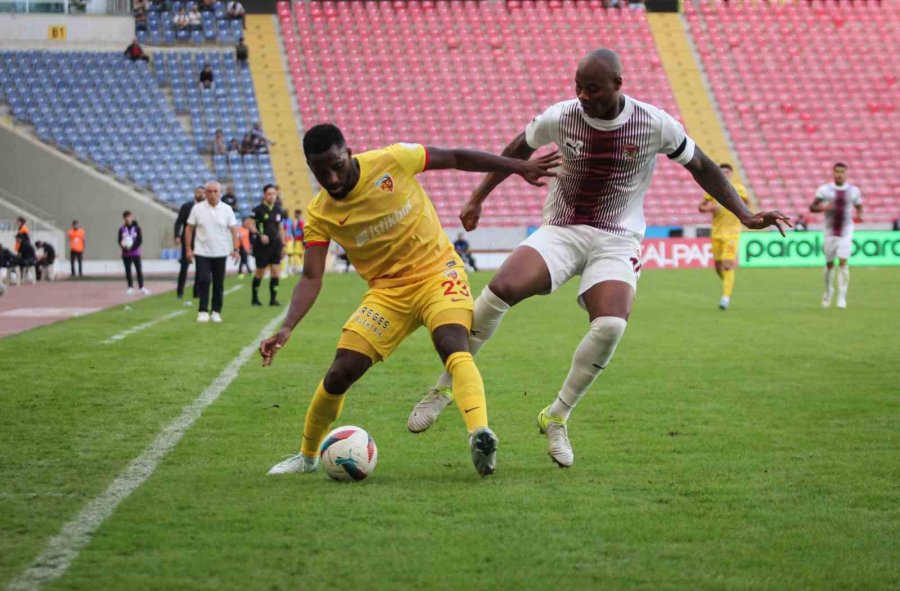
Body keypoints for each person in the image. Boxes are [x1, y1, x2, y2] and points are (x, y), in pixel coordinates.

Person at [407, 48, 790, 469]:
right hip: (562, 229)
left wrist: (745, 214)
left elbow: (700, 164)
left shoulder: (652, 122)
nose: (583, 96)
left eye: (592, 88)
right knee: (501, 289)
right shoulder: (563, 115)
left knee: (609, 325)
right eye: (578, 87)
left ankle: (557, 416)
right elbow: (518, 146)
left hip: (617, 238)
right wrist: (478, 197)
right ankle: (444, 387)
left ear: (617, 85)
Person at [259, 123, 558, 478]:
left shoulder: (392, 160)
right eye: (320, 172)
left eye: (336, 165)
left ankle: (480, 435)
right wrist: (288, 326)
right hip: (387, 294)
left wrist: (518, 166)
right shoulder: (320, 214)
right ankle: (307, 457)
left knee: (453, 344)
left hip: (438, 273)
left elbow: (457, 157)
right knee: (340, 373)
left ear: (349, 153)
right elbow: (311, 276)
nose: (332, 178)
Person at [184, 181, 241, 323]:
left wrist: (236, 249)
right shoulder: (197, 209)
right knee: (203, 280)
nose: (212, 194)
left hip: (221, 252)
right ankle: (203, 311)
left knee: (218, 283)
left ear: (220, 192)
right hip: (202, 251)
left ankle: (216, 311)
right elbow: (189, 229)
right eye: (209, 191)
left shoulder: (227, 209)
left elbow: (234, 230)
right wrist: (188, 249)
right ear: (205, 193)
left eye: (215, 191)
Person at [697, 163, 750, 310]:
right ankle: (728, 282)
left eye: (727, 171)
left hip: (732, 232)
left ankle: (725, 298)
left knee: (727, 265)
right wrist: (709, 208)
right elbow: (701, 207)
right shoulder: (712, 189)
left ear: (731, 173)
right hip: (716, 233)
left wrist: (734, 202)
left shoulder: (738, 188)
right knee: (718, 267)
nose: (725, 173)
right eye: (722, 171)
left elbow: (746, 203)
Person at [810, 162, 863, 309]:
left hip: (846, 231)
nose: (839, 174)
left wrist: (859, 215)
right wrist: (824, 208)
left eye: (842, 172)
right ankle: (828, 292)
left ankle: (842, 297)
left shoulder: (853, 191)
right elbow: (812, 207)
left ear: (846, 173)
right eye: (837, 171)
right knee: (829, 265)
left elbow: (859, 205)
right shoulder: (825, 190)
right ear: (833, 173)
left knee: (843, 262)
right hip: (829, 231)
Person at [248, 184, 287, 306]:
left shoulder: (278, 209)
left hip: (276, 245)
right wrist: (260, 234)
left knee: (276, 272)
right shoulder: (258, 209)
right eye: (269, 194)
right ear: (264, 195)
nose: (272, 196)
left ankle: (273, 299)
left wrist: (283, 243)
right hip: (262, 246)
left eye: (274, 193)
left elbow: (280, 227)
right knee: (260, 272)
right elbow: (248, 224)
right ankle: (254, 298)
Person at [174, 187, 205, 302]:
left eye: (202, 192)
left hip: (201, 241)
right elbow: (179, 222)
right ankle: (180, 291)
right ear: (194, 194)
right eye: (198, 192)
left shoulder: (207, 208)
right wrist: (177, 235)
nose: (200, 194)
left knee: (201, 268)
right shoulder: (186, 207)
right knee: (184, 267)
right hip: (188, 241)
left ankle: (196, 292)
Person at [118, 211, 150, 295]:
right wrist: (124, 247)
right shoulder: (122, 229)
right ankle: (130, 287)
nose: (128, 219)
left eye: (129, 217)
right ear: (124, 218)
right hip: (126, 254)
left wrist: (132, 247)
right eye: (126, 217)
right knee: (128, 271)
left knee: (139, 270)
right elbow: (119, 240)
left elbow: (140, 240)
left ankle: (141, 287)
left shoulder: (137, 228)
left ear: (131, 217)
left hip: (135, 253)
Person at [288, 209, 305, 274]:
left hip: (299, 240)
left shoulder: (300, 221)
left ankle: (300, 268)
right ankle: (300, 267)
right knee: (299, 254)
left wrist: (303, 240)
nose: (294, 215)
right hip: (298, 239)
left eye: (296, 214)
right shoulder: (297, 221)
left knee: (297, 254)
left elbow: (303, 231)